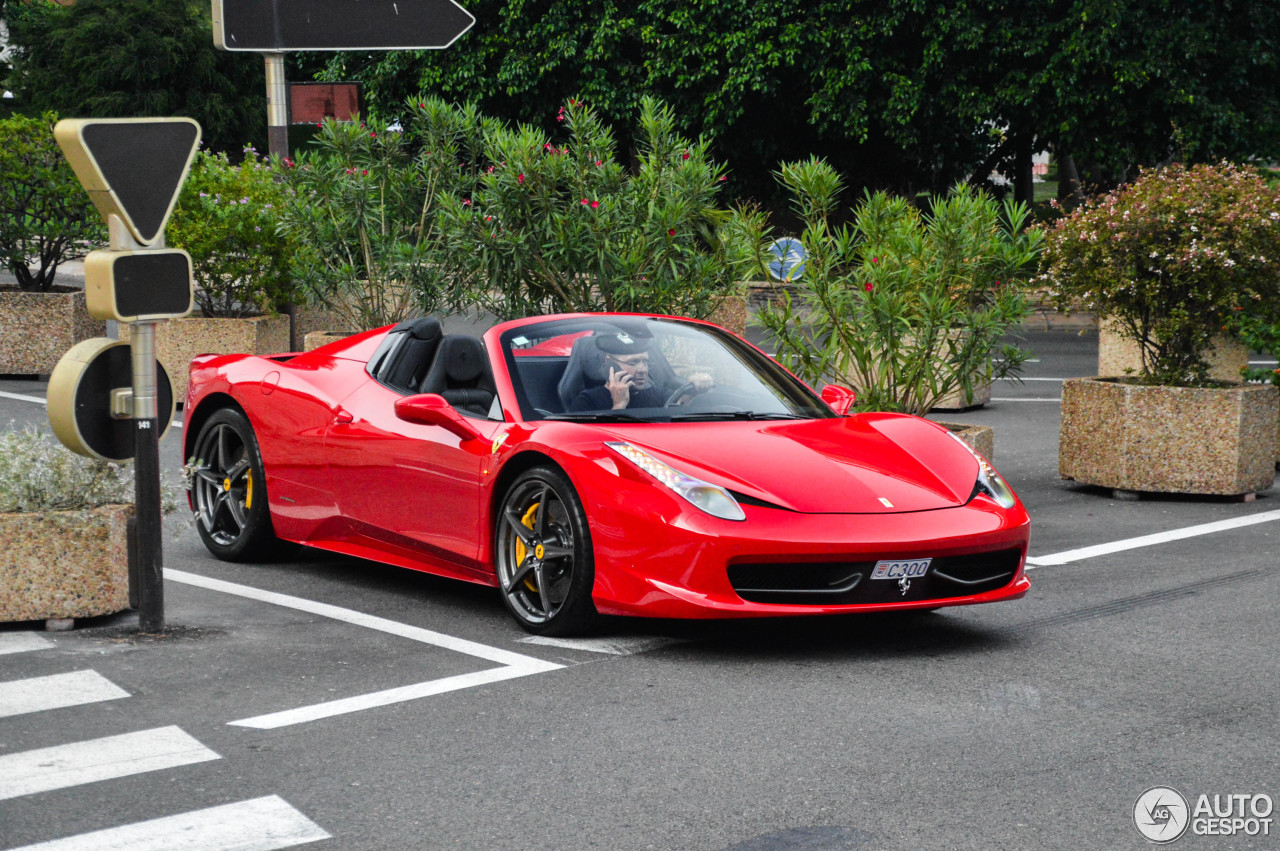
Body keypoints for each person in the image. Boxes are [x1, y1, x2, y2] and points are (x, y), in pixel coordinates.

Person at [569, 333, 712, 412]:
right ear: (610, 362)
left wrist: (695, 391)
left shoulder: (658, 395)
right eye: (633, 362)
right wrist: (619, 405)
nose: (643, 369)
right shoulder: (587, 401)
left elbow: (681, 414)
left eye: (645, 362)